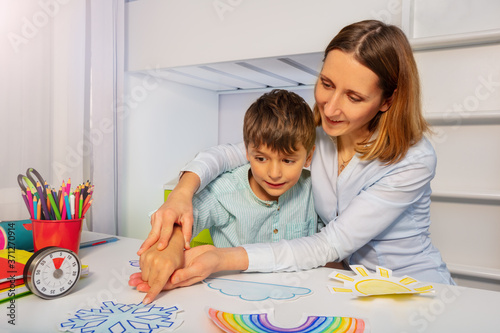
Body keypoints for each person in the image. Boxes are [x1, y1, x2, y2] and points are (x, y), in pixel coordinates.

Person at [131, 19, 455, 301]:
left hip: (414, 287)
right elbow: (231, 152)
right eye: (326, 84)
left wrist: (221, 259)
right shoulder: (320, 136)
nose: (330, 108)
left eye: (354, 97)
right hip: (350, 287)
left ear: (388, 100)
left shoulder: (413, 160)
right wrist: (182, 195)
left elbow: (331, 243)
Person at [131, 89, 321, 303]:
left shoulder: (315, 190)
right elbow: (183, 216)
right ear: (247, 153)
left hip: (299, 299)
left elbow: (328, 246)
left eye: (287, 161)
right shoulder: (226, 190)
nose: (274, 173)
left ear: (308, 157)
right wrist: (172, 248)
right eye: (261, 158)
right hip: (231, 300)